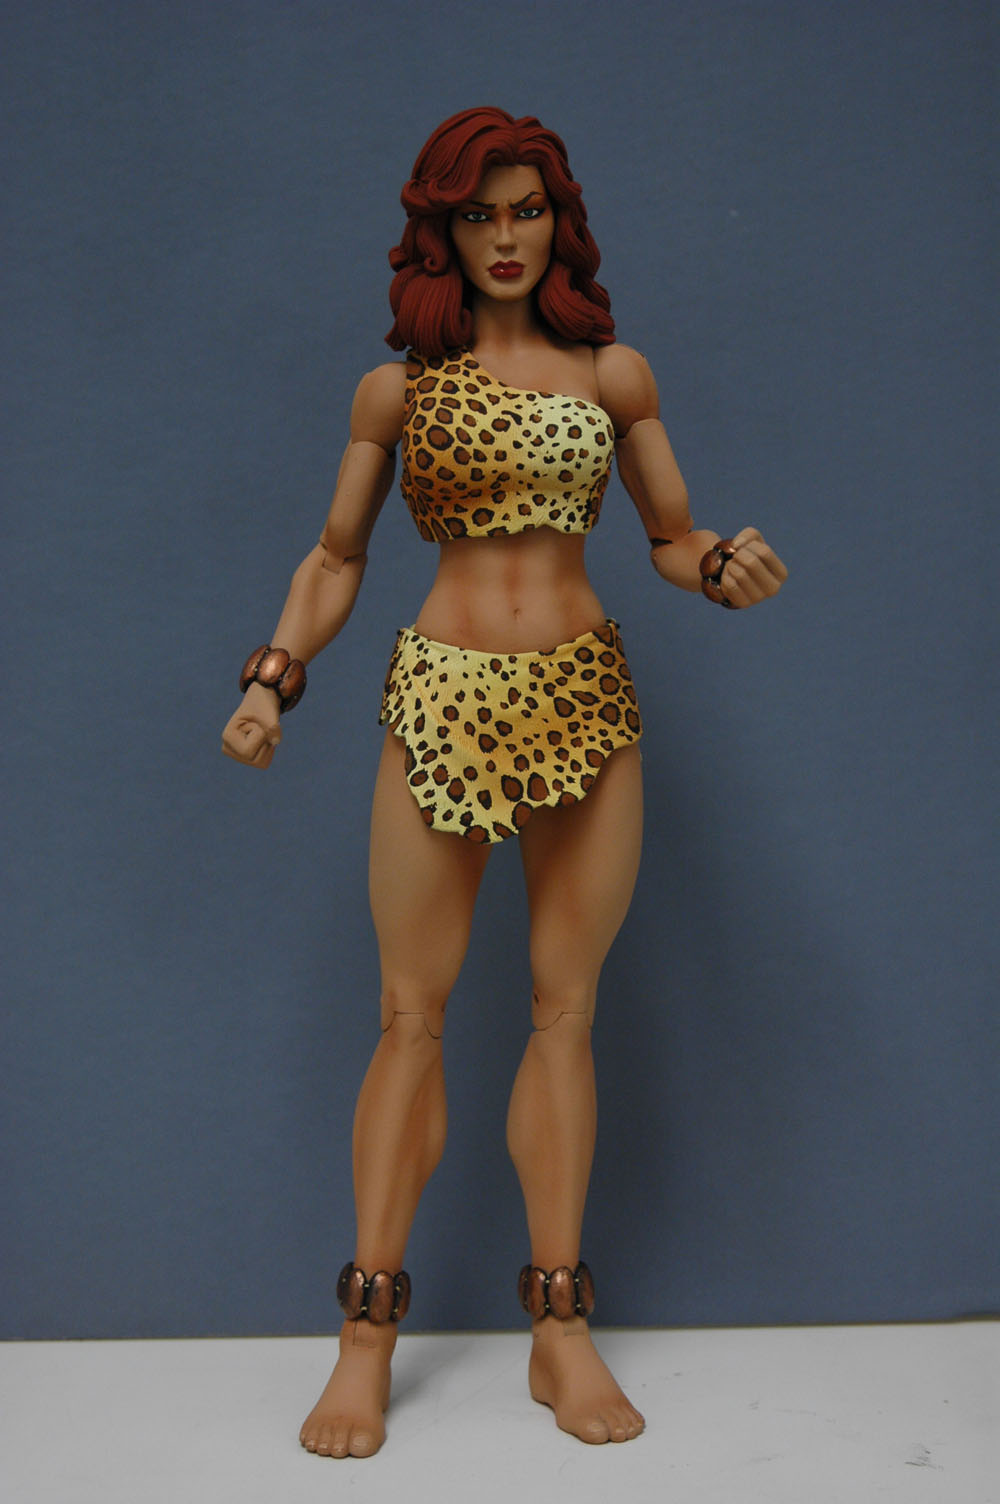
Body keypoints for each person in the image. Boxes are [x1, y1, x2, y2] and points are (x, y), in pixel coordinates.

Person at [222, 106, 787, 1459]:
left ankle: (559, 1325)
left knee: (564, 1014)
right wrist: (273, 676)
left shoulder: (613, 377)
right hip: (443, 702)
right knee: (407, 1017)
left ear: (560, 219)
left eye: (526, 209)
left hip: (584, 701)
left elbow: (667, 533)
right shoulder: (399, 393)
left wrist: (717, 565)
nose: (505, 236)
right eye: (477, 214)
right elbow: (337, 556)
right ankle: (366, 1337)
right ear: (442, 231)